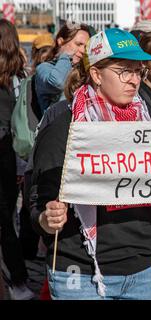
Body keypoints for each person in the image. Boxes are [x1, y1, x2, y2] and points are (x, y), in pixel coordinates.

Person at [30, 28, 151, 300]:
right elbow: (37, 205)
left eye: (138, 71)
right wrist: (47, 218)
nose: (134, 80)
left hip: (144, 269)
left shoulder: (150, 123)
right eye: (123, 70)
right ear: (96, 74)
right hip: (80, 274)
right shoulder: (63, 128)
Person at [0, 19, 34, 300]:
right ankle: (18, 280)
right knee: (7, 219)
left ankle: (18, 280)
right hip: (11, 156)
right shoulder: (19, 74)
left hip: (4, 152)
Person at [34, 23, 91, 114]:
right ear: (60, 41)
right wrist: (65, 55)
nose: (82, 51)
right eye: (78, 44)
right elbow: (58, 82)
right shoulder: (44, 68)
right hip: (57, 126)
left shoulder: (84, 71)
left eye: (85, 47)